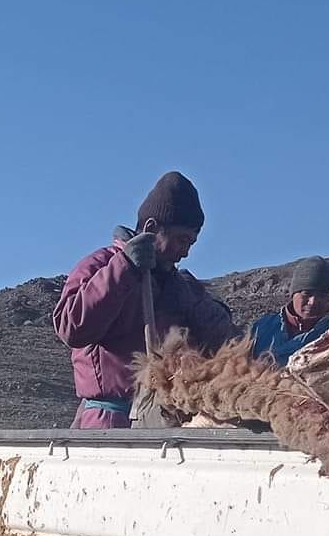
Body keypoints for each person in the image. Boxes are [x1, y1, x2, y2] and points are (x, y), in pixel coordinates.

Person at [52, 171, 236, 428]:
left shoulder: (178, 285)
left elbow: (224, 342)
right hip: (109, 422)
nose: (186, 251)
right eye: (181, 240)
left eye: (192, 243)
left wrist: (196, 303)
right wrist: (124, 268)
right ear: (151, 229)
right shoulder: (101, 265)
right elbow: (73, 328)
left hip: (164, 420)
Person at [248, 255, 329, 365]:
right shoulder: (261, 328)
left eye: (322, 296)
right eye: (306, 294)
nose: (312, 302)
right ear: (293, 294)